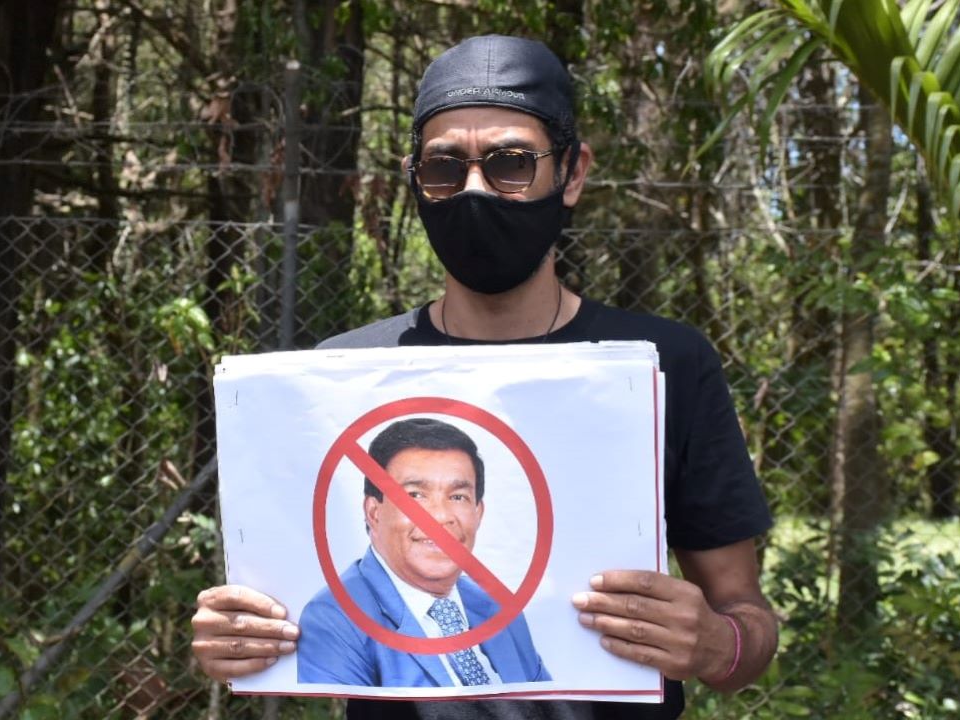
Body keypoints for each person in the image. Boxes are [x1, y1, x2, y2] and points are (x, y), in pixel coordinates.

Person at [192, 34, 778, 720]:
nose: (474, 191)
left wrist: (715, 646)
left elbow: (747, 625)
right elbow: (290, 629)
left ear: (574, 173)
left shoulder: (666, 363)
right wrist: (240, 639)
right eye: (445, 167)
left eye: (510, 163)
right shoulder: (347, 375)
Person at [298, 418, 549, 687]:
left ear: (478, 513)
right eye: (415, 496)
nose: (440, 517)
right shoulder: (334, 619)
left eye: (457, 497)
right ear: (374, 512)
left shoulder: (501, 611)